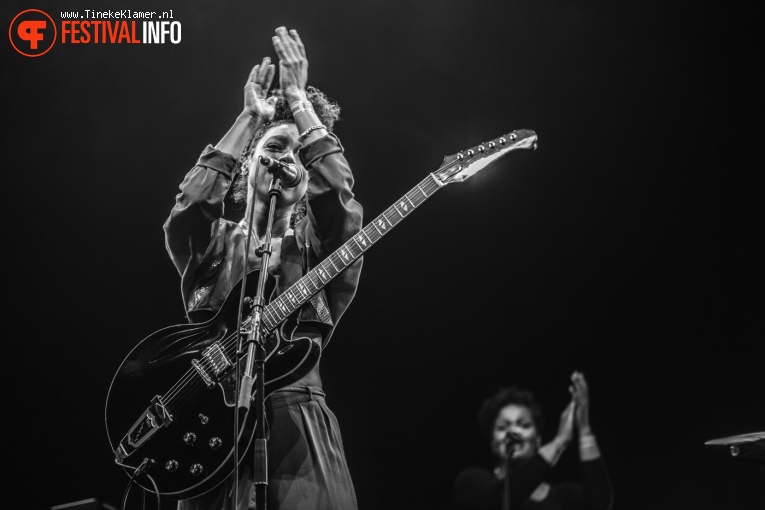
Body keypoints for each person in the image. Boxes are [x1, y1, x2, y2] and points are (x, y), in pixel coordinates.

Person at [163, 26, 362, 510]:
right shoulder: (215, 245)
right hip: (211, 432)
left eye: (300, 157)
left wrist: (298, 100)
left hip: (298, 423)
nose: (286, 161)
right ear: (249, 162)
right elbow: (188, 210)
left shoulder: (316, 249)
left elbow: (339, 205)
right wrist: (251, 119)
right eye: (274, 148)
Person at [453, 372, 613, 510]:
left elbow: (599, 504)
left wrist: (584, 428)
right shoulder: (471, 482)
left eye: (524, 425)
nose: (513, 431)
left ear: (538, 441)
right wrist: (559, 442)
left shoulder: (562, 497)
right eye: (503, 427)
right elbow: (498, 502)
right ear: (493, 444)